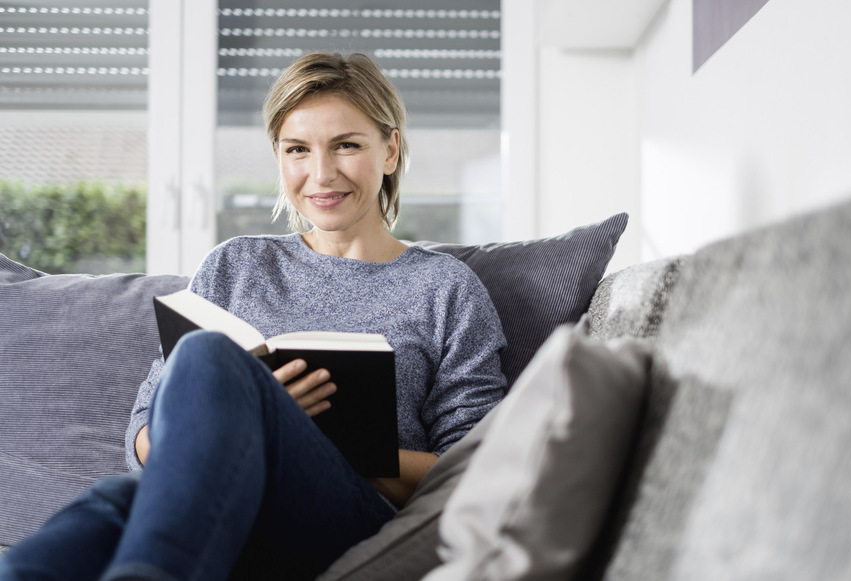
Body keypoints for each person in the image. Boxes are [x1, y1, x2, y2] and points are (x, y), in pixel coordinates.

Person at [0, 52, 506, 581]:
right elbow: (144, 440)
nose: (321, 173)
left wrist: (281, 426)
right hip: (220, 500)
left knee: (206, 356)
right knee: (117, 501)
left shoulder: (445, 288)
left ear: (390, 150)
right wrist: (235, 422)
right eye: (297, 150)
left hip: (347, 517)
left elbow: (474, 471)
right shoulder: (234, 266)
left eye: (347, 145)